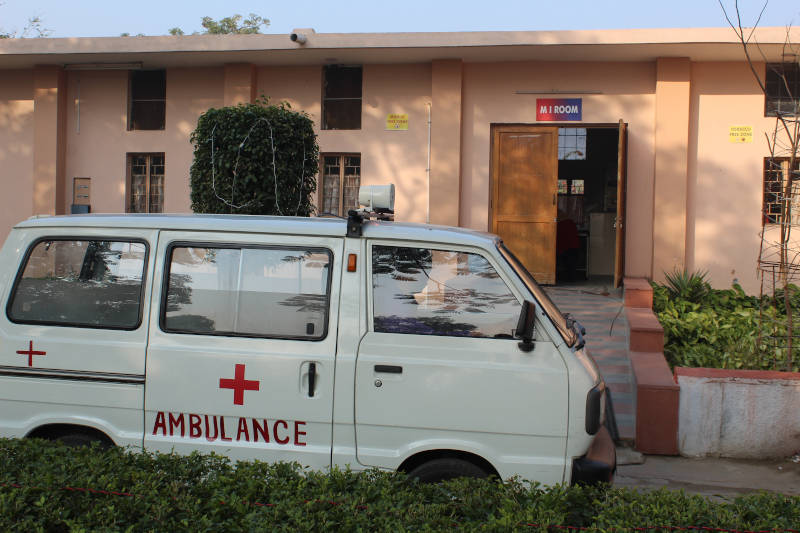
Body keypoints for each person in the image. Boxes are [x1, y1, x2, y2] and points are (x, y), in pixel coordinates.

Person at [556, 209, 580, 282]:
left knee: (562, 262)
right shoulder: (570, 222)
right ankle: (571, 278)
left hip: (563, 248)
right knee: (571, 265)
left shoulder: (558, 225)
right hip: (573, 247)